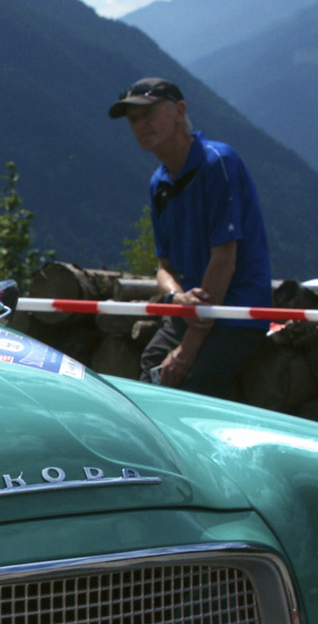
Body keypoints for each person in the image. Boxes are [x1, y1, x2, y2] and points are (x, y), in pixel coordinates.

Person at [110, 77, 272, 397]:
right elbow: (163, 267)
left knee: (195, 383)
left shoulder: (218, 163)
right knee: (151, 371)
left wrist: (187, 349)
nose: (140, 125)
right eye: (133, 119)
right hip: (190, 313)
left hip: (235, 313)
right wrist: (175, 298)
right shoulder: (159, 183)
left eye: (149, 114)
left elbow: (224, 259)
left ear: (179, 111)